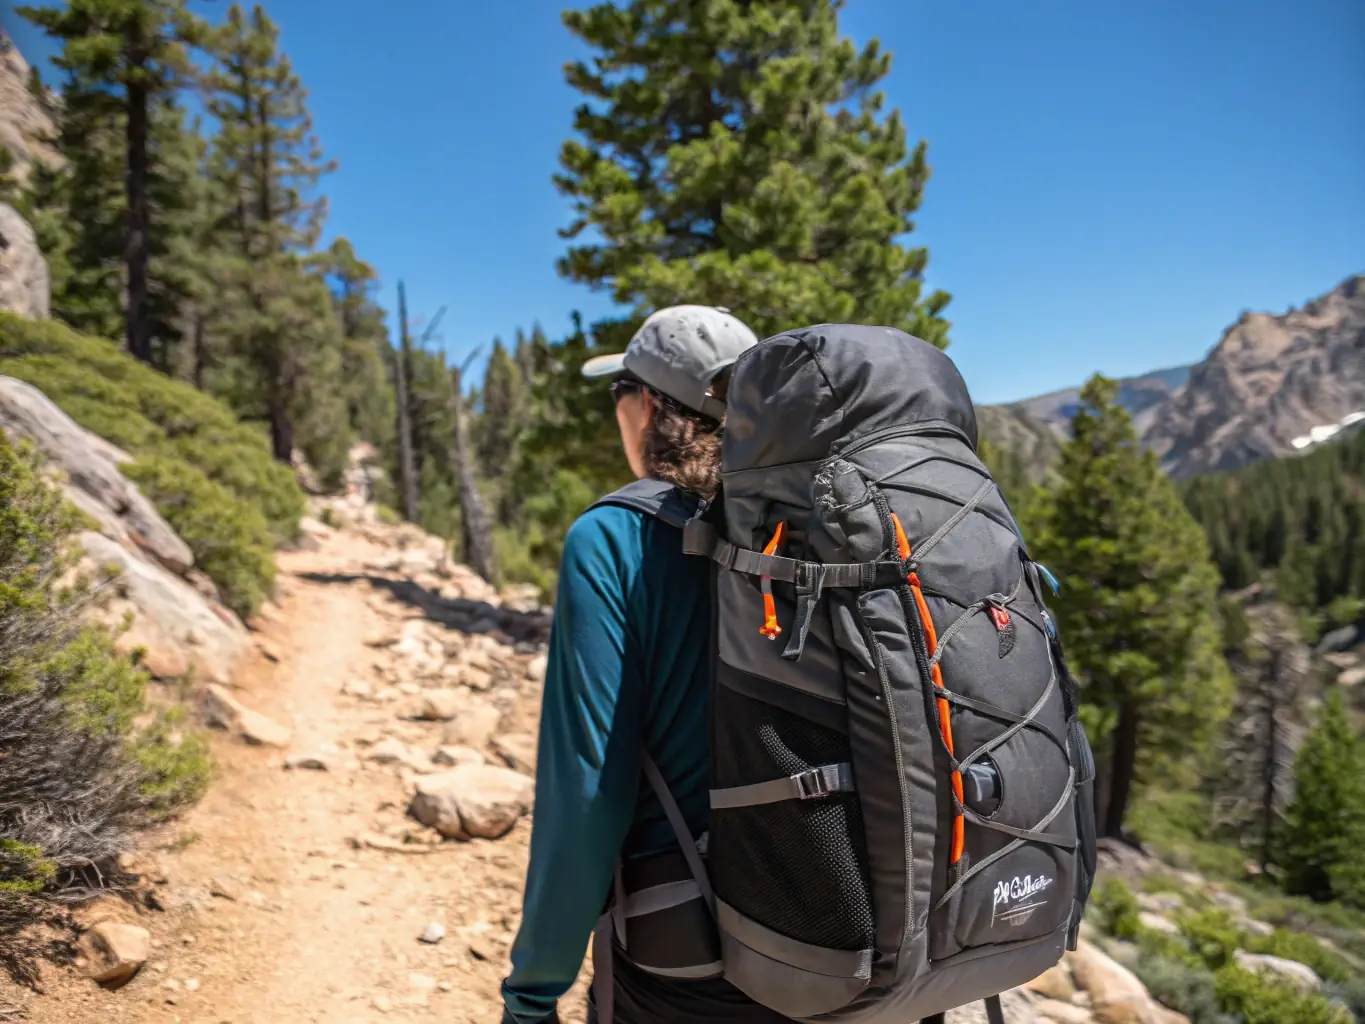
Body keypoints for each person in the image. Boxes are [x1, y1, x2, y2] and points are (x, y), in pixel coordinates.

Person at [500, 306, 790, 1024]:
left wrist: (533, 995)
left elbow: (587, 792)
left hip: (693, 967)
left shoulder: (614, 539)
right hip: (855, 940)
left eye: (618, 393)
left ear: (651, 406)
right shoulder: (810, 524)